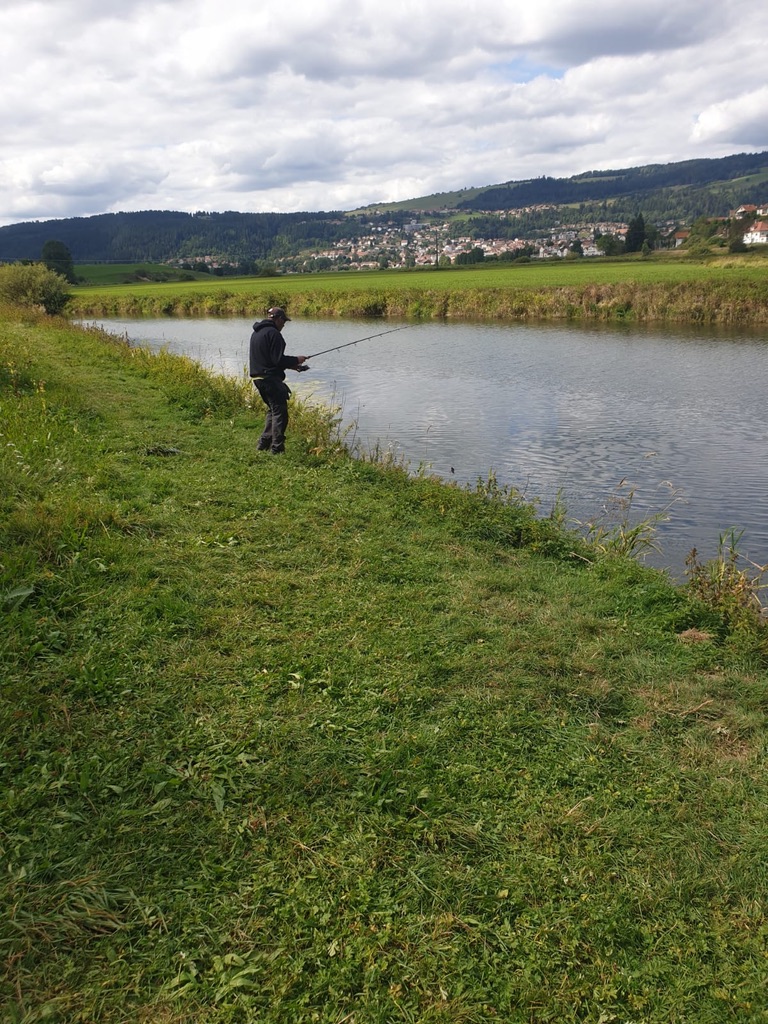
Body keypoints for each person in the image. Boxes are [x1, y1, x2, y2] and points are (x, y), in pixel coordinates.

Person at [248, 307, 308, 454]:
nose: (284, 325)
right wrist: (296, 359)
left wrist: (292, 366)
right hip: (270, 379)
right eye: (284, 321)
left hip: (258, 378)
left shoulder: (257, 333)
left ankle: (263, 444)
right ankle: (277, 448)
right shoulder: (274, 334)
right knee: (280, 413)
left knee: (273, 411)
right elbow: (278, 360)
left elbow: (269, 359)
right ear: (279, 319)